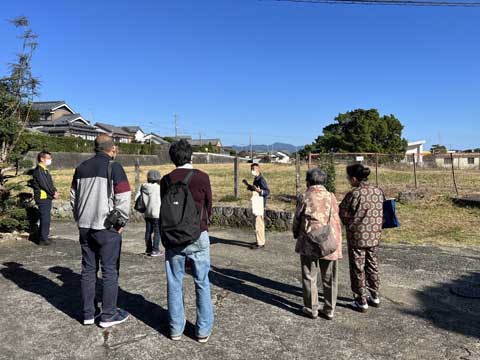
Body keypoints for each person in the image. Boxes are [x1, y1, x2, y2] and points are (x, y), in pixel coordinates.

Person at [70, 134, 131, 327]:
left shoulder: (80, 168)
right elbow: (123, 196)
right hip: (106, 228)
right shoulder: (115, 167)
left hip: (85, 227)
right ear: (112, 149)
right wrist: (121, 222)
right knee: (109, 271)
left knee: (88, 270)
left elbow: (74, 198)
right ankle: (108, 315)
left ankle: (88, 314)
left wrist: (80, 218)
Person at [160, 139, 214, 343]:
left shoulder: (165, 180)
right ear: (190, 156)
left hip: (173, 237)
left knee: (174, 282)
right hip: (198, 235)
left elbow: (164, 210)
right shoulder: (202, 177)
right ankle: (202, 330)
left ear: (173, 158)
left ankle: (175, 329)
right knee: (202, 282)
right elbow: (209, 206)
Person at [293, 168, 342, 320]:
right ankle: (329, 309)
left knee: (309, 275)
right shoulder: (331, 196)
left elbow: (297, 219)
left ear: (308, 181)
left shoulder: (304, 196)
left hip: (309, 242)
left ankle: (311, 308)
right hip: (329, 242)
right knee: (330, 278)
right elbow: (336, 216)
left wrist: (296, 234)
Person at [339, 163, 384, 313]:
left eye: (348, 178)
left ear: (354, 178)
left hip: (357, 236)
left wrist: (349, 223)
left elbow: (343, 214)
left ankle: (360, 299)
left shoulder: (354, 194)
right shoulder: (378, 191)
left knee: (358, 268)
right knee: (372, 264)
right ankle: (375, 295)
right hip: (375, 235)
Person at [31, 151, 59, 246]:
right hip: (43, 197)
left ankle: (43, 236)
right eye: (48, 158)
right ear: (42, 159)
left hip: (47, 196)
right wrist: (53, 192)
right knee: (45, 218)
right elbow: (44, 184)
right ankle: (43, 239)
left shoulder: (45, 170)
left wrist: (54, 190)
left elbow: (50, 183)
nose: (50, 160)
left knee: (45, 217)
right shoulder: (39, 170)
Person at [136, 169, 163, 257]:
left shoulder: (143, 187)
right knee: (157, 232)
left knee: (148, 231)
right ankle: (155, 250)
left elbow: (137, 197)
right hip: (157, 213)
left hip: (147, 213)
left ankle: (148, 249)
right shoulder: (159, 188)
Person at [245, 163, 270, 250]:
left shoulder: (261, 180)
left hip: (260, 204)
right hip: (257, 203)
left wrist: (261, 191)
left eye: (253, 169)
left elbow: (267, 192)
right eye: (251, 169)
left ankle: (260, 243)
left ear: (258, 169)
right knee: (258, 223)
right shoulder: (256, 179)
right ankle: (260, 241)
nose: (252, 171)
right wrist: (249, 186)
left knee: (259, 224)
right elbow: (255, 189)